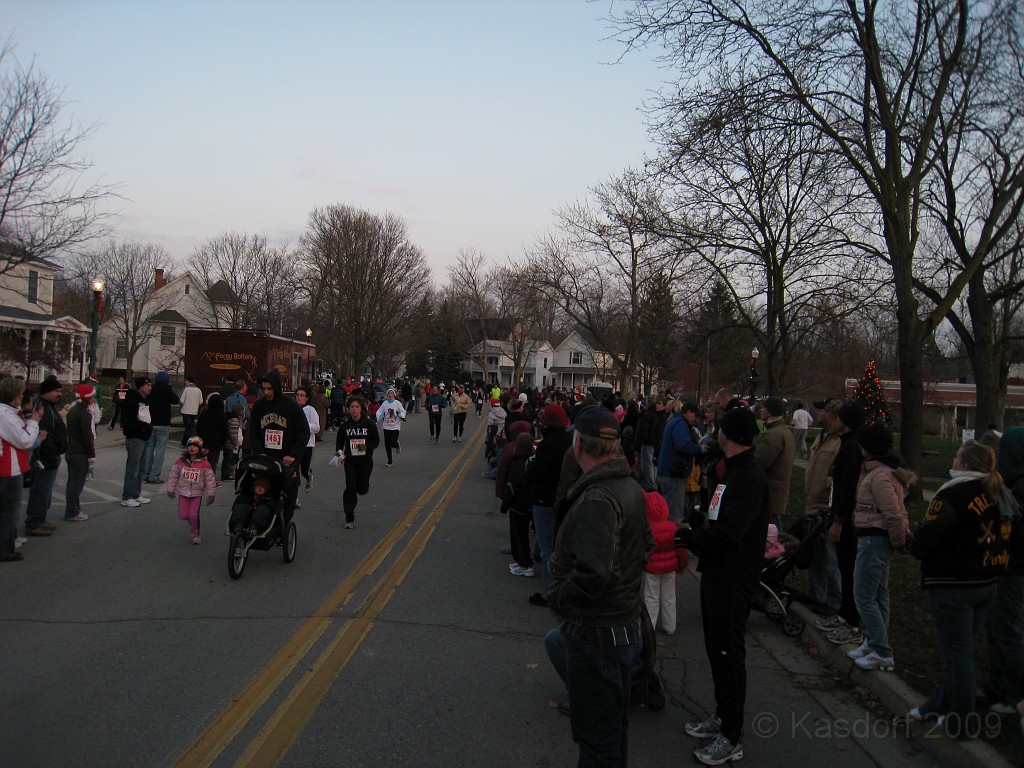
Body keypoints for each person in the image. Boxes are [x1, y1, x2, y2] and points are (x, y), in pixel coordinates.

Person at [543, 405, 652, 768]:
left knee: (596, 741)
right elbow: (645, 546)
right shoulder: (629, 487)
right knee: (611, 732)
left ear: (578, 446)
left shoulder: (597, 499)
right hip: (622, 625)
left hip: (597, 634)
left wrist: (558, 595)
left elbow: (593, 573)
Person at [675, 405, 769, 766]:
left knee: (729, 654)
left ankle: (732, 735)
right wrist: (698, 524)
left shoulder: (750, 477)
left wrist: (694, 539)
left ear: (729, 435)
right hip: (716, 572)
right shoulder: (730, 473)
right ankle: (722, 714)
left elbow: (732, 533)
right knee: (717, 650)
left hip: (733, 577)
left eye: (721, 429)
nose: (715, 432)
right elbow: (717, 516)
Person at [910, 440, 1013, 738]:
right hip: (987, 581)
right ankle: (938, 704)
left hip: (954, 583)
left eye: (956, 456)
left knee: (958, 654)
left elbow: (931, 535)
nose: (953, 460)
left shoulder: (954, 493)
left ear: (965, 465)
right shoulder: (1000, 492)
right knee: (959, 650)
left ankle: (962, 722)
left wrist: (914, 542)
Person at [847, 423, 913, 671]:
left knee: (863, 594)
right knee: (878, 593)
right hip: (873, 536)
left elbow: (893, 514)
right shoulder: (879, 472)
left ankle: (882, 651)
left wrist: (898, 541)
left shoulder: (880, 476)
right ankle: (874, 641)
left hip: (875, 539)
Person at [983, 426, 1024, 716]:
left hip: (1014, 569)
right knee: (995, 627)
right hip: (1001, 566)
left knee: (1008, 629)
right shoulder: (1010, 482)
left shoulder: (1019, 488)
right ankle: (996, 685)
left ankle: (1014, 694)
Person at [822, 400, 867, 645]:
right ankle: (843, 614)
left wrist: (839, 519)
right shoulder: (848, 444)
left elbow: (848, 486)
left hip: (847, 520)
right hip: (842, 513)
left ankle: (851, 620)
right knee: (844, 566)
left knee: (848, 569)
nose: (834, 420)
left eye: (839, 418)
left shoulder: (851, 448)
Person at [525, 403, 573, 607]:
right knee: (561, 548)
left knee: (547, 549)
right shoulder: (570, 442)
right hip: (565, 500)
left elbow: (537, 473)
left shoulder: (547, 445)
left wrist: (530, 468)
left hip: (545, 499)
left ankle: (548, 592)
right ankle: (562, 588)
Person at [249, 369, 310, 514]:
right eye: (263, 389)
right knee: (264, 496)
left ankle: (283, 529)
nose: (266, 392)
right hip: (266, 459)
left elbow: (303, 433)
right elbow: (254, 432)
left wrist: (293, 454)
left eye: (270, 389)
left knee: (287, 500)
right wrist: (258, 452)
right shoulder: (259, 406)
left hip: (287, 460)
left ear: (276, 387)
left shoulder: (291, 406)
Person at [803, 399, 843, 617]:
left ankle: (833, 601)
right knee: (815, 555)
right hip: (812, 503)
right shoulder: (821, 437)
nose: (817, 412)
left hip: (825, 505)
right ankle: (817, 594)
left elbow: (839, 475)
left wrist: (829, 486)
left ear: (831, 414)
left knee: (830, 558)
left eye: (821, 410)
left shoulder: (839, 443)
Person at [0, 377, 43, 561]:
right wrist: (34, 422)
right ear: (14, 395)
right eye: (20, 394)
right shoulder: (7, 417)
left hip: (10, 466)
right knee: (10, 510)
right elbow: (24, 440)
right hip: (8, 468)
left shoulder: (9, 413)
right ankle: (5, 549)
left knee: (7, 509)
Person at [24, 376, 67, 537]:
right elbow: (44, 434)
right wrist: (50, 455)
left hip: (53, 455)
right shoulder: (40, 408)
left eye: (60, 391)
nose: (59, 394)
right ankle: (34, 522)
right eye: (56, 391)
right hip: (43, 457)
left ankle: (40, 518)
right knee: (40, 491)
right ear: (46, 392)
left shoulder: (50, 407)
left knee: (46, 492)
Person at [643, 489, 687, 635]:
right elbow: (681, 551)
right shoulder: (673, 528)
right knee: (669, 597)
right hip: (669, 568)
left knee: (651, 597)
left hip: (652, 569)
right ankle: (670, 626)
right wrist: (682, 565)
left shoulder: (647, 530)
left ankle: (650, 627)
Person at [657, 400, 707, 524]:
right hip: (674, 472)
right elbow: (682, 445)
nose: (696, 419)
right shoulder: (680, 423)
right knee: (675, 513)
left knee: (669, 509)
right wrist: (699, 449)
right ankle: (673, 538)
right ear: (689, 412)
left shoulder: (673, 421)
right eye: (695, 415)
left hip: (668, 471)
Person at [335, 395, 379, 529]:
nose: (354, 410)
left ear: (361, 409)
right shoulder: (345, 426)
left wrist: (364, 447)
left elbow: (376, 440)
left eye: (356, 407)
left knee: (362, 489)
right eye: (352, 407)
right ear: (348, 409)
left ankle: (365, 486)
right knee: (350, 487)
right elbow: (339, 442)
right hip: (350, 462)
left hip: (365, 461)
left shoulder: (368, 424)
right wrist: (339, 455)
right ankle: (349, 518)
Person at [166, 436, 216, 544]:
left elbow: (210, 480)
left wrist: (211, 494)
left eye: (195, 446)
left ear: (200, 448)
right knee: (183, 515)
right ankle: (191, 521)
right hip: (184, 493)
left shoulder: (204, 463)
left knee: (194, 515)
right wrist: (171, 489)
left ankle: (195, 534)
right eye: (189, 445)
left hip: (197, 494)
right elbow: (173, 476)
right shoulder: (180, 461)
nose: (192, 448)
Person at [754, 396, 796, 526]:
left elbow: (760, 462)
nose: (761, 410)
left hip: (771, 492)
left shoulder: (773, 434)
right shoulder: (784, 431)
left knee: (772, 531)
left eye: (764, 408)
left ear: (770, 412)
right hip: (778, 491)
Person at [502, 431, 536, 577]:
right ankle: (521, 560)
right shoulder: (532, 460)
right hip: (528, 503)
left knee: (518, 534)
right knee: (520, 534)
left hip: (518, 504)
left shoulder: (519, 463)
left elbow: (512, 486)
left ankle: (525, 564)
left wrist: (505, 504)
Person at [64, 383, 97, 523]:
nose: (94, 398)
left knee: (72, 482)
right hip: (79, 453)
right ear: (88, 398)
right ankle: (72, 511)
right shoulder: (83, 414)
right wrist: (91, 455)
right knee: (76, 484)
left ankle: (72, 509)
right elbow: (87, 437)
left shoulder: (73, 410)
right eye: (93, 395)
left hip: (71, 450)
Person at [140, 370, 179, 484]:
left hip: (151, 421)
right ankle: (154, 475)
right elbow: (175, 400)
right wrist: (170, 388)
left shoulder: (151, 389)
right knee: (160, 450)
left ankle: (145, 474)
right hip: (163, 422)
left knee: (149, 448)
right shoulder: (167, 390)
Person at [121, 377, 154, 507]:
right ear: (141, 386)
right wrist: (144, 426)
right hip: (135, 437)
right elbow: (129, 420)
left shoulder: (145, 400)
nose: (150, 388)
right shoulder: (132, 399)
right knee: (132, 469)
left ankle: (136, 493)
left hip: (144, 437)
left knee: (141, 469)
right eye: (148, 385)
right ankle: (127, 496)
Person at [633, 397, 668, 491]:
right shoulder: (661, 415)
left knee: (648, 464)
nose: (657, 405)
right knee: (652, 464)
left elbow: (643, 430)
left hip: (649, 442)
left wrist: (639, 441)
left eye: (659, 403)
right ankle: (653, 481)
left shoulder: (649, 415)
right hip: (654, 442)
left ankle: (651, 483)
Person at [294, 386, 320, 498]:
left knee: (304, 470)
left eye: (302, 395)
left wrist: (304, 425)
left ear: (307, 398)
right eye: (297, 395)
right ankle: (294, 497)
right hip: (294, 444)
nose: (299, 397)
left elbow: (316, 428)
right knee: (293, 472)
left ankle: (309, 476)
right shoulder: (292, 409)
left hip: (308, 444)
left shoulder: (310, 410)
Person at [196, 393, 230, 481]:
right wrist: (223, 441)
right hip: (216, 442)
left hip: (204, 441)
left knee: (202, 461)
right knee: (213, 462)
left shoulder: (204, 413)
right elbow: (225, 430)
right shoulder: (221, 415)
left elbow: (198, 427)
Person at [375, 387, 406, 467]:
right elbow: (379, 411)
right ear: (387, 395)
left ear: (394, 395)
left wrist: (400, 415)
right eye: (389, 393)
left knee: (392, 442)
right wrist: (381, 415)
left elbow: (403, 411)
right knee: (387, 444)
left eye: (392, 393)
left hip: (395, 426)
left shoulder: (397, 403)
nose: (390, 395)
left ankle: (396, 445)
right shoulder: (384, 403)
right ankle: (390, 461)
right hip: (386, 426)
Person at [178, 376, 203, 446]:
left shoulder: (186, 389)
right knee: (189, 426)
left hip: (186, 411)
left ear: (187, 381)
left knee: (189, 428)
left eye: (185, 381)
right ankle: (184, 442)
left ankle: (192, 442)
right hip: (194, 411)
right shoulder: (198, 390)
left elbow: (181, 400)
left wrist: (182, 406)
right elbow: (201, 401)